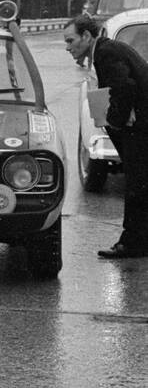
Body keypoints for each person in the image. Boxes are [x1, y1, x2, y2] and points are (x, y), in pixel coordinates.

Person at [64, 14, 148, 258]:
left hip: (141, 128)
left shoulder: (105, 53)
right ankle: (137, 241)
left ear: (87, 36)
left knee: (136, 185)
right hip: (141, 124)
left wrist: (115, 118)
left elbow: (124, 87)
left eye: (71, 41)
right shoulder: (106, 49)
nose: (68, 47)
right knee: (140, 184)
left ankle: (132, 244)